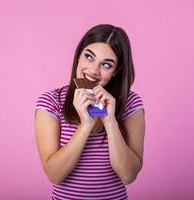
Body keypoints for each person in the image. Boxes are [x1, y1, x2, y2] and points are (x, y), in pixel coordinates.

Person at [35, 24, 145, 200]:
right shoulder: (51, 102)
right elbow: (54, 175)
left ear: (116, 70)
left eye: (106, 64)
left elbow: (128, 176)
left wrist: (110, 122)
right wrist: (86, 125)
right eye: (89, 57)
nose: (93, 71)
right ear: (78, 56)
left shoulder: (131, 103)